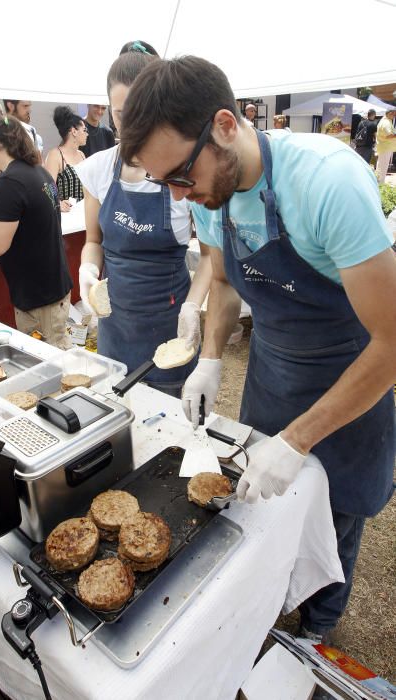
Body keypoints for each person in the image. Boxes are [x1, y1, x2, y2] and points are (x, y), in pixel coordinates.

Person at [119, 56, 396, 641]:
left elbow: (392, 340)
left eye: (181, 176)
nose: (180, 193)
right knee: (256, 503)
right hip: (272, 370)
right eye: (167, 182)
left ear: (224, 125)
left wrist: (299, 439)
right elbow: (221, 281)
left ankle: (317, 628)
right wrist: (213, 358)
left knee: (332, 513)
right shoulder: (205, 193)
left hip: (349, 372)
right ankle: (263, 605)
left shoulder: (326, 184)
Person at [77, 48, 211, 397]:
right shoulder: (98, 170)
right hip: (116, 328)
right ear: (110, 111)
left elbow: (211, 258)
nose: (132, 125)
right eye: (122, 115)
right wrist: (87, 270)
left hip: (169, 327)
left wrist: (193, 308)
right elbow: (93, 241)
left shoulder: (185, 170)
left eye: (142, 113)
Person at [0, 113, 72, 349]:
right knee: (59, 352)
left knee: (51, 365)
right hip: (53, 288)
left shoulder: (8, 182)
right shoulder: (38, 172)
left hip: (38, 298)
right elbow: (31, 228)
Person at [45, 106, 87, 212]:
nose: (87, 134)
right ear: (74, 131)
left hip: (83, 213)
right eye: (84, 130)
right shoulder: (55, 155)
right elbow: (48, 186)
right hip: (66, 216)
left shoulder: (81, 154)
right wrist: (58, 203)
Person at [375, 108, 396, 183]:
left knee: (381, 166)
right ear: (390, 113)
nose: (394, 116)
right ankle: (380, 184)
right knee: (382, 167)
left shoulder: (387, 121)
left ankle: (378, 182)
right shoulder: (386, 122)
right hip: (385, 148)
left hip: (385, 147)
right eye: (394, 114)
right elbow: (389, 135)